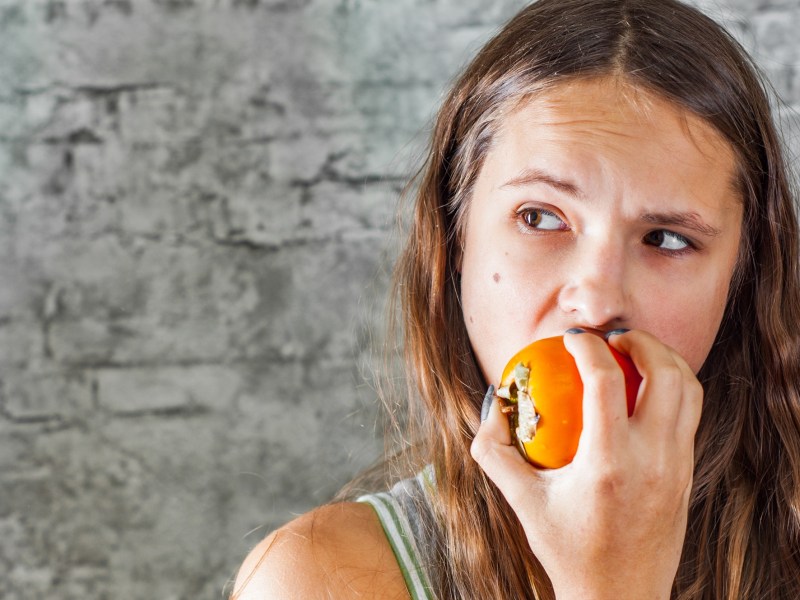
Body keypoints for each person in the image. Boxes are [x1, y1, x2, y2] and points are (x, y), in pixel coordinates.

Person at [231, 0, 800, 597]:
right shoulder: (319, 579)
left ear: (742, 278)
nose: (597, 301)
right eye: (540, 217)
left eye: (665, 238)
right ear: (456, 243)